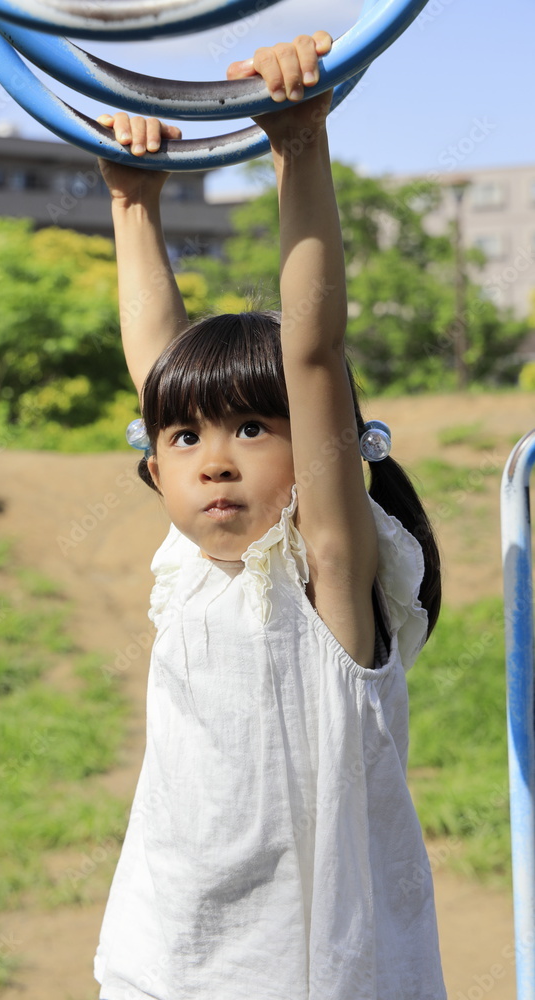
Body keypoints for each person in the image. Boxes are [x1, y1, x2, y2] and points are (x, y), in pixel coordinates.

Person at [93, 32, 447, 1000]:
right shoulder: (195, 560)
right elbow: (158, 368)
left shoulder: (323, 575)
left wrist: (298, 148)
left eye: (252, 428)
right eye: (183, 441)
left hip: (313, 971)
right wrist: (132, 203)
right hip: (170, 958)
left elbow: (315, 351)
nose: (211, 460)